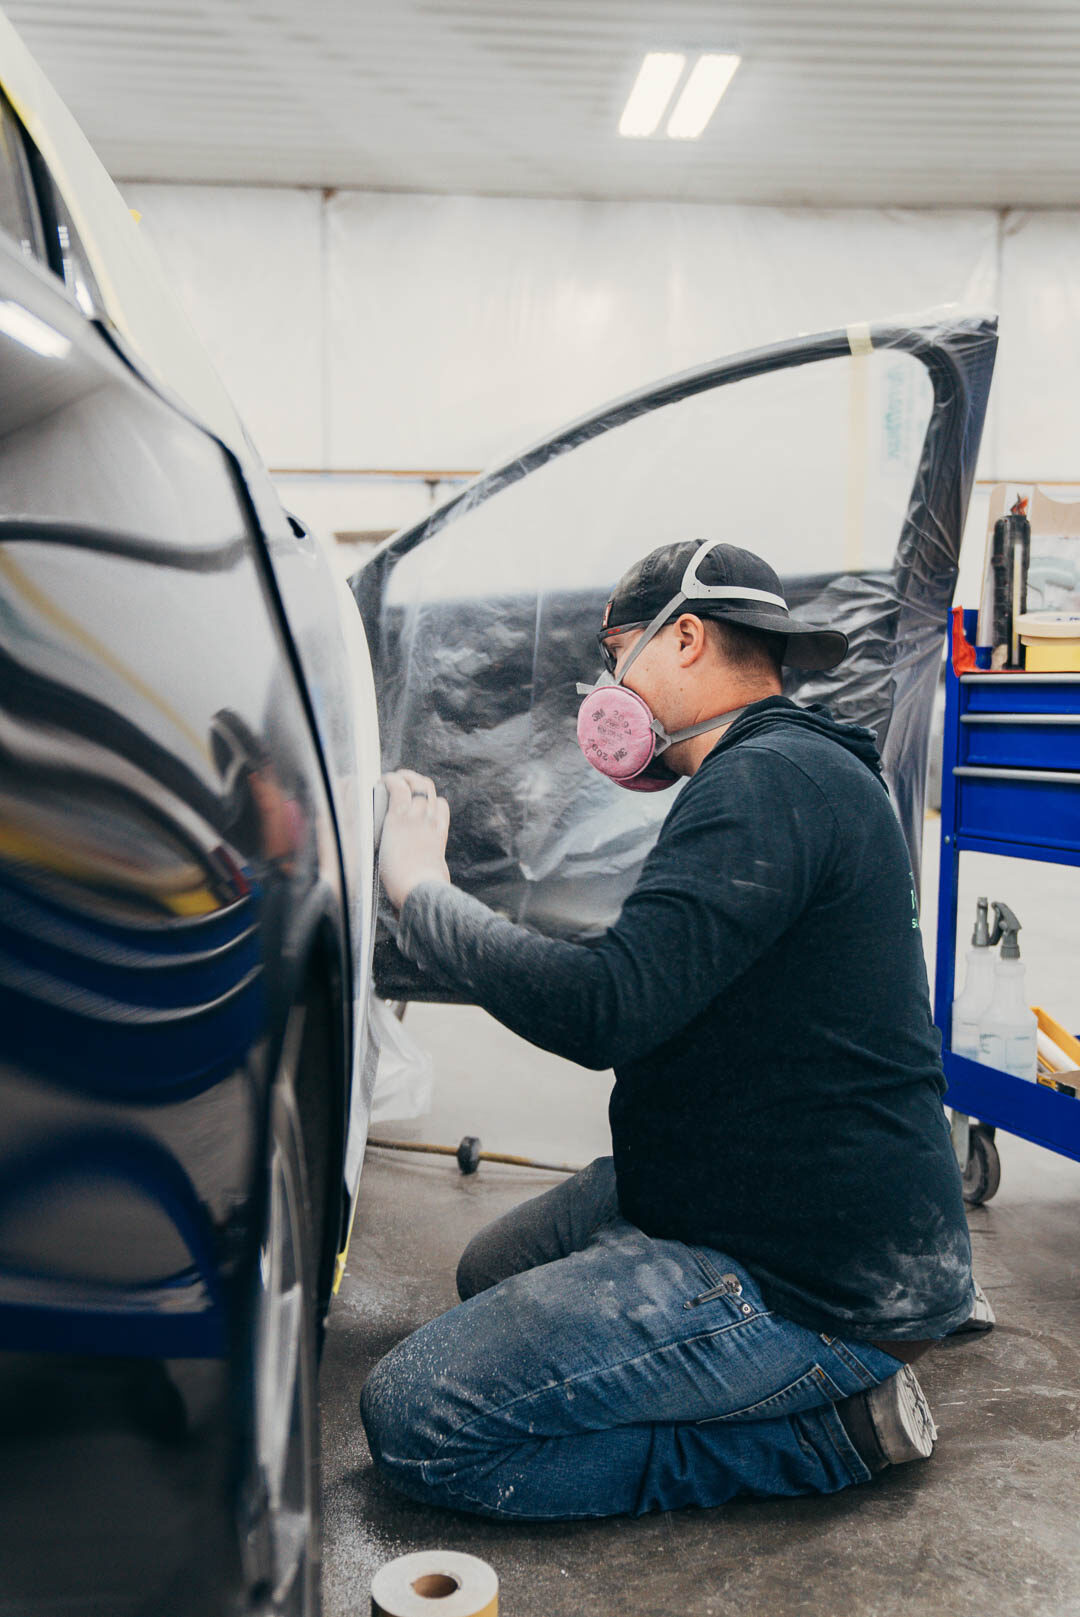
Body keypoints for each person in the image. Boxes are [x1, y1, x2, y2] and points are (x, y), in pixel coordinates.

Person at [358, 539, 975, 1522]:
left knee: (418, 1418)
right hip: (751, 1188)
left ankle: (824, 1436)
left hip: (817, 1275)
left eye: (616, 658)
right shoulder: (787, 772)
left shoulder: (769, 781)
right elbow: (657, 966)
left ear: (685, 637)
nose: (607, 691)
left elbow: (607, 1007)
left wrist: (422, 894)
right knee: (489, 1270)